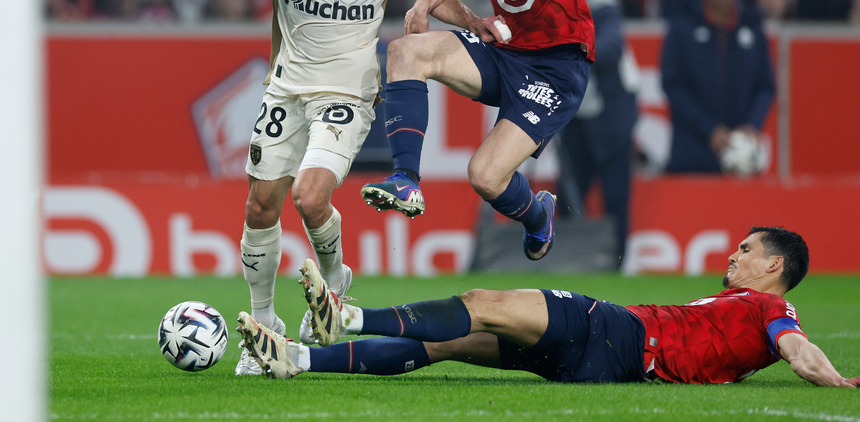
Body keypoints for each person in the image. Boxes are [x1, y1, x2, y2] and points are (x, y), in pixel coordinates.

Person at [213, 0, 478, 376]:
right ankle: (265, 323)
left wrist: (474, 24)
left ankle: (334, 287)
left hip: (347, 92)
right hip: (285, 87)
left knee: (311, 199)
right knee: (260, 207)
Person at [359, 0, 606, 263]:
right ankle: (405, 179)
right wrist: (426, 1)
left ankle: (537, 214)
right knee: (404, 52)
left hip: (557, 66)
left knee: (486, 177)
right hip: (506, 49)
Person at [237, 226, 860, 388]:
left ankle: (345, 317)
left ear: (774, 267)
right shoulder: (741, 305)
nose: (734, 254)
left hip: (613, 329)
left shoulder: (764, 309)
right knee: (445, 345)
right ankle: (298, 360)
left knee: (480, 301)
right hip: (603, 367)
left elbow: (794, 345)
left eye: (747, 250)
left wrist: (833, 378)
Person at [555, 0, 638, 268]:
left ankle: (615, 265)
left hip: (610, 111)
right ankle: (566, 264)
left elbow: (612, 47)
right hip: (573, 112)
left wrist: (568, 53)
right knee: (567, 194)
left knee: (615, 196)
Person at [661, 0, 775, 174]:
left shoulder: (753, 28)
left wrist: (751, 126)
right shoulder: (682, 29)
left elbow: (766, 85)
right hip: (692, 150)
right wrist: (709, 129)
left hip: (743, 151)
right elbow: (673, 85)